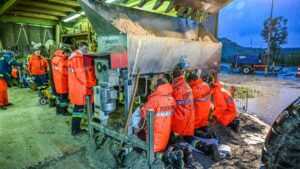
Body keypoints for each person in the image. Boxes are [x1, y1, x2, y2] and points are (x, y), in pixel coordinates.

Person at [172, 71, 220, 162]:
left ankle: (207, 147)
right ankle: (208, 137)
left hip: (186, 119)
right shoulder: (195, 87)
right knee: (191, 134)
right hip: (197, 116)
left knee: (188, 137)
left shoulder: (178, 89)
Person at [68, 42, 96, 135]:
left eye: (87, 48)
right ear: (79, 47)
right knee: (79, 109)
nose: (86, 49)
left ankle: (92, 127)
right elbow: (81, 76)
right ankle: (75, 130)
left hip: (84, 87)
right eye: (84, 48)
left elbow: (89, 71)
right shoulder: (76, 58)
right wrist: (91, 85)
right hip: (81, 88)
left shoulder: (83, 57)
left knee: (90, 107)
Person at [52, 48, 71, 115]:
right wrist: (70, 73)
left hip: (57, 81)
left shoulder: (55, 58)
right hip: (63, 81)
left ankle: (58, 110)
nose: (68, 55)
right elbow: (62, 71)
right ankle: (64, 111)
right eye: (68, 54)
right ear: (64, 53)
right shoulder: (61, 60)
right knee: (63, 98)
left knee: (59, 97)